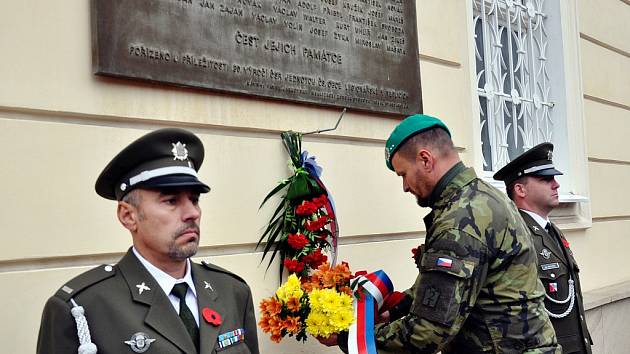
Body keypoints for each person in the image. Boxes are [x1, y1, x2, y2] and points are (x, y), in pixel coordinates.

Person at [321, 114, 560, 353]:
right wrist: (392, 310)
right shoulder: (482, 197)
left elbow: (428, 333)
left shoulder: (460, 221)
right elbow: (440, 289)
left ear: (425, 160)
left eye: (403, 174)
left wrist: (352, 338)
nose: (405, 186)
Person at [37, 128, 259, 354]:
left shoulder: (232, 292)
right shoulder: (83, 307)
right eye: (171, 201)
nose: (192, 213)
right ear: (128, 216)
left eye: (194, 199)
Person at [493, 142, 592, 354]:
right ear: (520, 189)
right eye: (546, 179)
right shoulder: (517, 235)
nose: (556, 185)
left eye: (554, 178)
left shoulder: (552, 230)